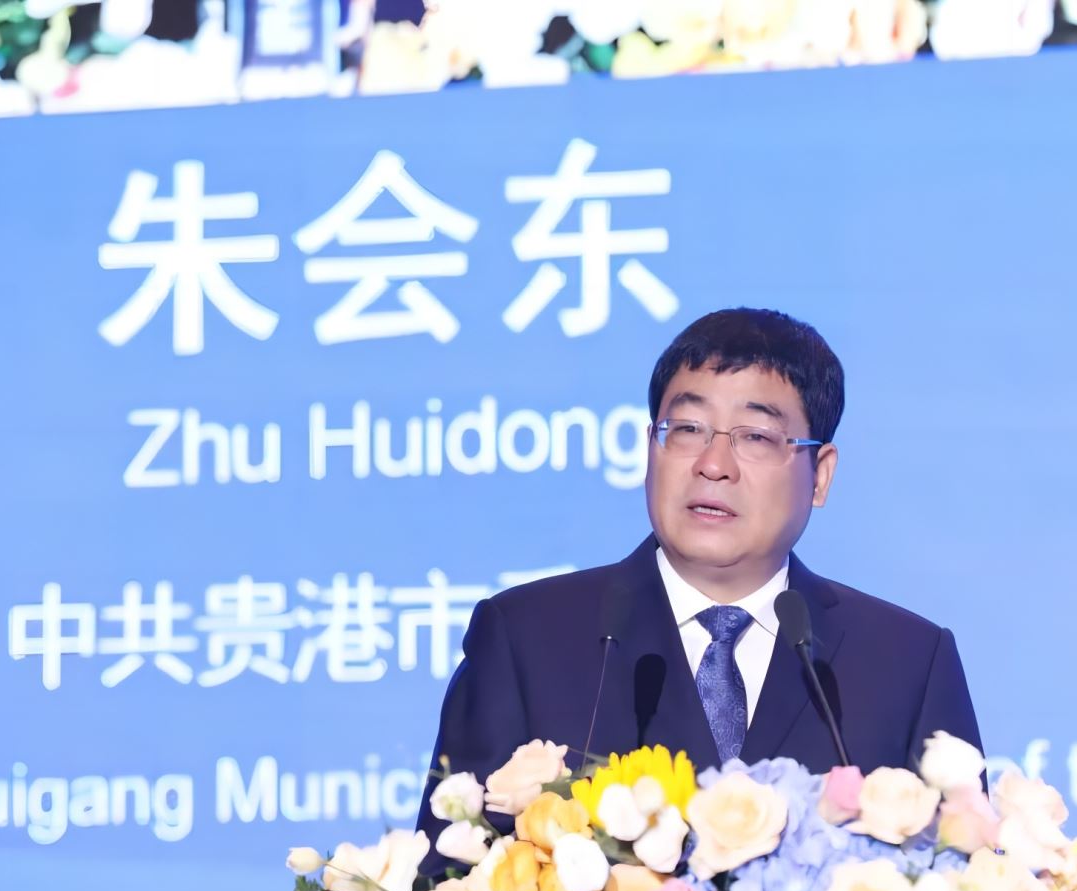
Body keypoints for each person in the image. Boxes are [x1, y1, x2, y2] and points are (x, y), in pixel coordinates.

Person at [416, 308, 981, 860]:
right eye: (687, 429)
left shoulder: (905, 662)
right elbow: (444, 884)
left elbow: (966, 886)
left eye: (756, 437)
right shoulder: (528, 639)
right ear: (651, 447)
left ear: (820, 475)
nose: (713, 464)